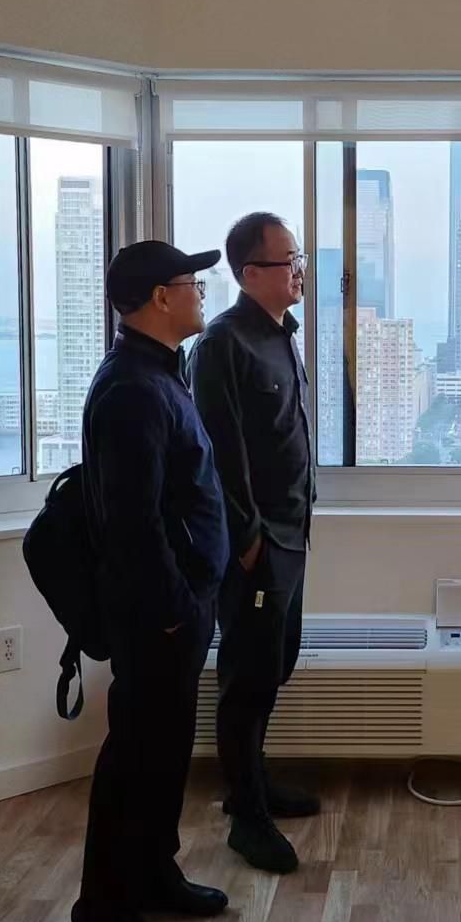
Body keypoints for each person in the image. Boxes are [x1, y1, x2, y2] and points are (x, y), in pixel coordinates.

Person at [71, 240, 231, 922]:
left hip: (180, 608)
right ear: (161, 299)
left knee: (163, 756)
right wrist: (173, 610)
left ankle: (153, 875)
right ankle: (104, 921)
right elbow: (133, 524)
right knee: (134, 764)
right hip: (157, 616)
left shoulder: (161, 372)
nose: (201, 293)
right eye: (191, 283)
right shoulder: (133, 389)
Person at [189, 214, 318, 875]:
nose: (299, 271)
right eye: (288, 260)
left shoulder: (281, 335)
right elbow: (218, 452)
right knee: (246, 678)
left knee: (274, 665)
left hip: (291, 536)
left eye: (299, 259)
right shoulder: (221, 345)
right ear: (250, 274)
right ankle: (246, 816)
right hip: (257, 545)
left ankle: (256, 782)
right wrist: (247, 541)